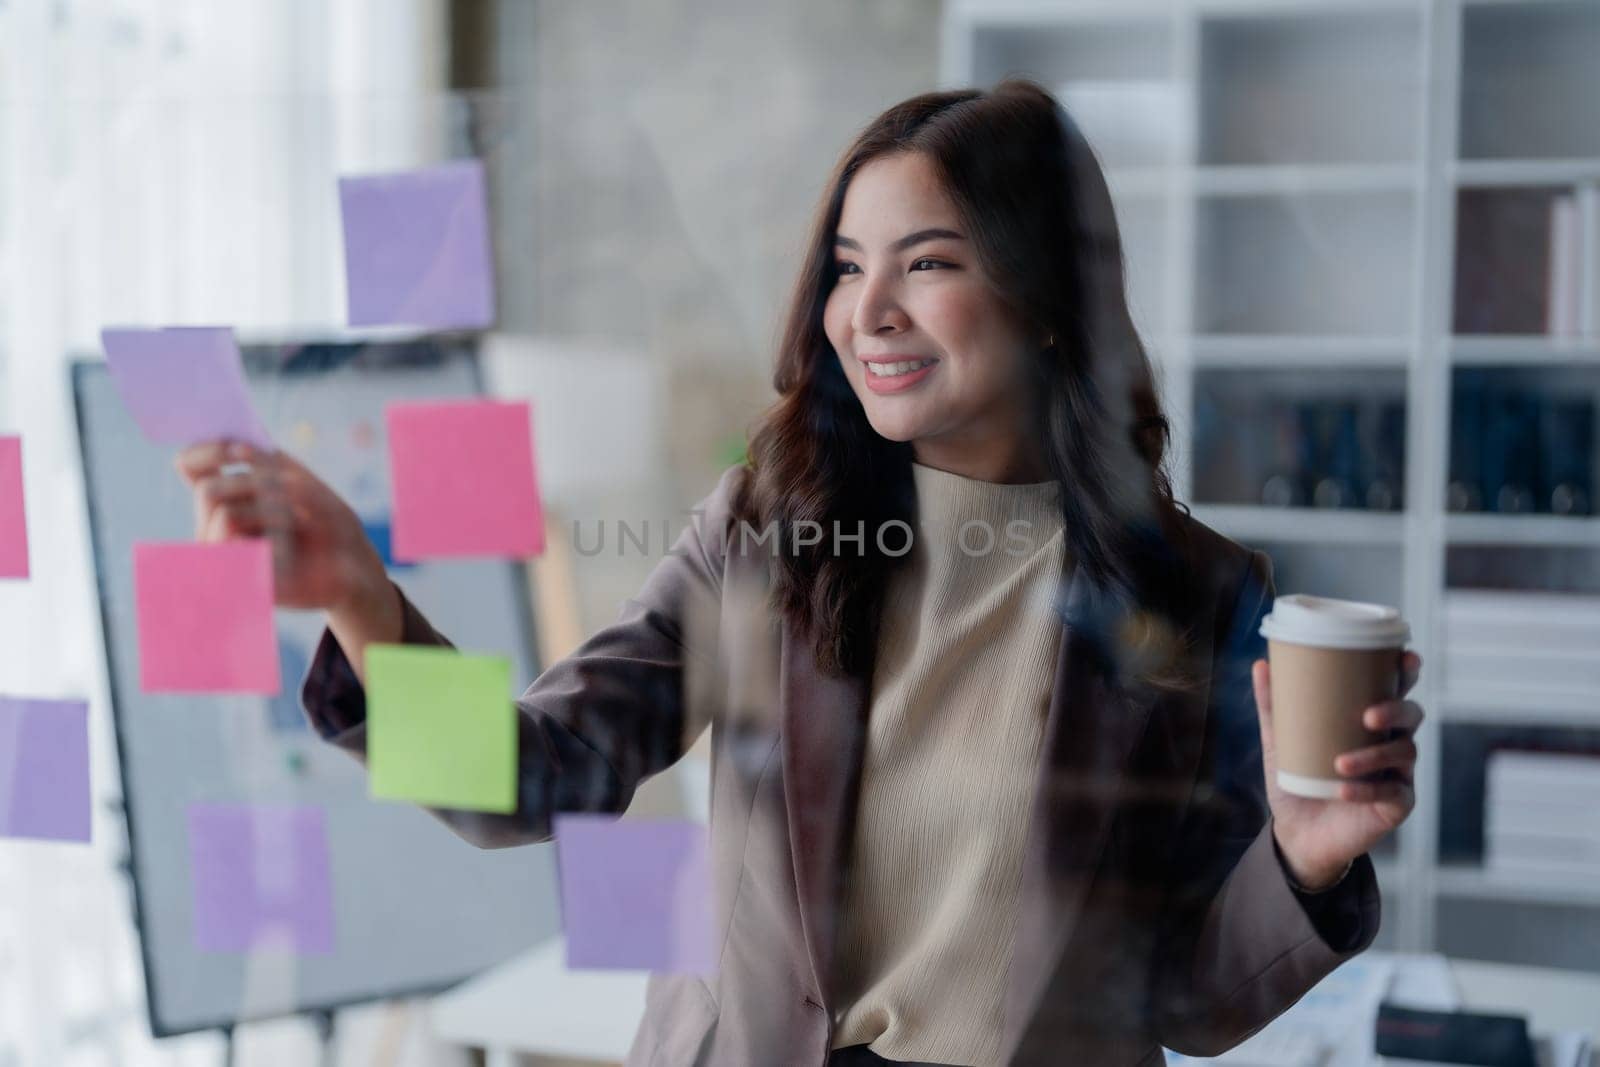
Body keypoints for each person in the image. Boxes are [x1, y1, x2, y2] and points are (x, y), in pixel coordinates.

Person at [177, 80, 1423, 1067]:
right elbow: (536, 775)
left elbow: (1187, 999)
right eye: (845, 262)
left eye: (926, 262)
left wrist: (1302, 857)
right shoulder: (766, 528)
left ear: (1048, 300)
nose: (865, 307)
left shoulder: (1195, 596)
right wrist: (360, 599)